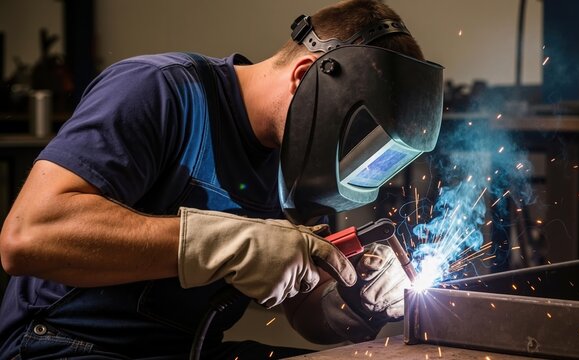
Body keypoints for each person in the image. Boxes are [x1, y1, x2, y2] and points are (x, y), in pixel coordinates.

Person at [0, 0, 443, 358]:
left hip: (189, 348)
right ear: (307, 77)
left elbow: (301, 306)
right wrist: (227, 243)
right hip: (67, 344)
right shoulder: (158, 91)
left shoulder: (303, 162)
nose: (345, 167)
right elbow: (28, 237)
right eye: (353, 145)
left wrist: (355, 299)